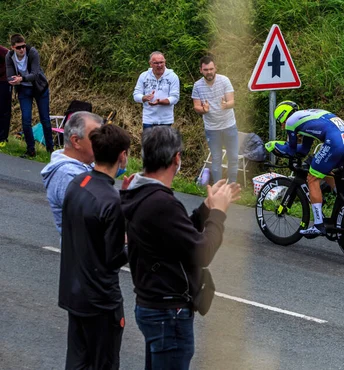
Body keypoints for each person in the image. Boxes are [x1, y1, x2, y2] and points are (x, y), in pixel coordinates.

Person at [120, 126, 241, 369]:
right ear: (177, 158)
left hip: (153, 305)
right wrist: (218, 213)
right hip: (168, 313)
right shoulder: (161, 202)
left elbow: (177, 234)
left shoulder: (140, 192)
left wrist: (206, 207)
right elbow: (202, 251)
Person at [59, 124, 131, 369]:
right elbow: (113, 258)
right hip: (101, 301)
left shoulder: (78, 182)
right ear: (122, 155)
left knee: (77, 361)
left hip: (74, 291)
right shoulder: (111, 201)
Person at [267, 101, 344, 237]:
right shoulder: (305, 116)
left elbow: (291, 150)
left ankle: (318, 225)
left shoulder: (291, 121)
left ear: (283, 115)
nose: (282, 126)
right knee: (325, 171)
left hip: (336, 142)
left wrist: (273, 145)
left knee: (312, 178)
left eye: (279, 121)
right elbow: (304, 149)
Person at [41, 111, 103, 236]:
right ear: (76, 141)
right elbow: (93, 215)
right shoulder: (68, 175)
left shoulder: (84, 164)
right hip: (82, 250)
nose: (102, 143)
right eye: (96, 138)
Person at [192, 55, 238, 183]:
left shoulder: (224, 80)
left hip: (229, 125)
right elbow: (196, 106)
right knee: (216, 158)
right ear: (201, 70)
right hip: (212, 128)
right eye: (206, 70)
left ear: (215, 68)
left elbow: (232, 101)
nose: (209, 72)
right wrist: (203, 110)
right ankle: (218, 187)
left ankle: (232, 186)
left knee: (233, 157)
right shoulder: (197, 85)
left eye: (211, 69)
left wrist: (226, 105)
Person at [5, 34, 53, 157]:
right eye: (18, 47)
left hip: (39, 88)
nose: (22, 50)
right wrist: (13, 80)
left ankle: (50, 150)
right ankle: (30, 149)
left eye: (23, 46)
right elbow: (9, 74)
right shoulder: (9, 56)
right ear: (13, 48)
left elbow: (35, 74)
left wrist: (21, 78)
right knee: (26, 120)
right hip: (24, 90)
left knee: (45, 119)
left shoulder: (32, 53)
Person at [133, 51, 180, 131]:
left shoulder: (173, 76)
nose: (159, 65)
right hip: (148, 119)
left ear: (165, 62)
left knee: (164, 143)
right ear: (150, 64)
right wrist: (144, 97)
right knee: (149, 143)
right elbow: (136, 95)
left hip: (166, 119)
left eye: (161, 62)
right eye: (156, 63)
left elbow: (175, 97)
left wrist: (160, 102)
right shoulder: (144, 76)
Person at [0, 44, 10, 147]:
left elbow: (10, 56)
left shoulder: (2, 50)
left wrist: (7, 72)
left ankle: (2, 138)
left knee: (3, 110)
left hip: (3, 82)